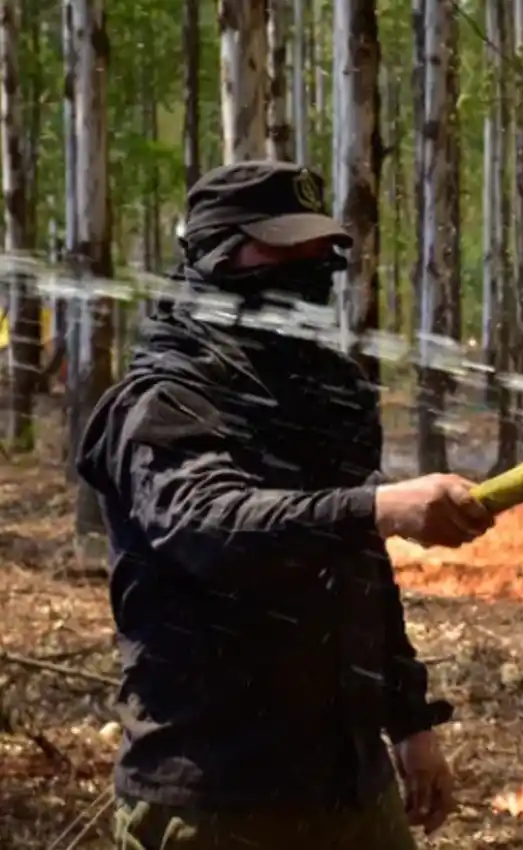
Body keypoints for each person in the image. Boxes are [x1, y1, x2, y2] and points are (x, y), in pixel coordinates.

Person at [75, 161, 495, 850]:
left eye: (316, 248)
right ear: (217, 254)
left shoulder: (322, 393)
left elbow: (358, 568)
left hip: (348, 786)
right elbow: (211, 525)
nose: (307, 264)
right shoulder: (163, 401)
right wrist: (378, 507)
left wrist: (410, 721)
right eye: (282, 247)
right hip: (218, 795)